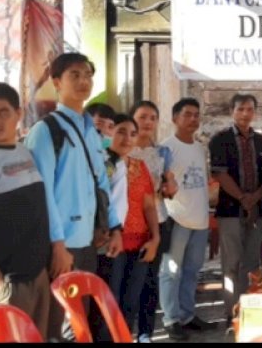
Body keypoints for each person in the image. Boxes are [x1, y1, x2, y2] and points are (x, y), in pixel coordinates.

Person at [24, 53, 123, 341]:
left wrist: (114, 227)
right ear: (57, 82)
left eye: (88, 75)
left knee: (81, 319)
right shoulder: (46, 131)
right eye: (74, 75)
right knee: (60, 322)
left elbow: (101, 182)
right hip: (60, 245)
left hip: (88, 241)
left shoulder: (90, 129)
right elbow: (41, 193)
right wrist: (57, 245)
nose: (84, 81)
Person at [0, 82, 51, 339]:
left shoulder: (23, 150)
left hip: (37, 274)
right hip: (7, 282)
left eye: (1, 112)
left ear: (18, 113)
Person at [208, 93, 262, 326]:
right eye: (240, 109)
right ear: (231, 111)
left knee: (252, 263)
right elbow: (220, 174)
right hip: (230, 210)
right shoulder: (220, 140)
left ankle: (251, 309)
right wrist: (243, 198)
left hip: (257, 210)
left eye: (249, 109)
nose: (245, 114)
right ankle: (232, 312)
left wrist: (256, 197)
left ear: (255, 112)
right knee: (231, 263)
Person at [159, 98, 215, 341]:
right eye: (187, 114)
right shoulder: (166, 148)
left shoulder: (200, 148)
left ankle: (187, 315)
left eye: (196, 115)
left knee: (192, 271)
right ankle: (171, 319)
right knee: (171, 272)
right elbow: (161, 185)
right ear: (175, 118)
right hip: (176, 218)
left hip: (200, 219)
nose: (193, 119)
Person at [105, 114, 160, 338]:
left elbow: (149, 205)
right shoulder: (101, 165)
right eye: (121, 132)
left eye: (132, 134)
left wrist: (155, 238)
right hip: (111, 243)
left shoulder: (139, 166)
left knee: (130, 302)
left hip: (140, 243)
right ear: (110, 132)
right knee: (110, 302)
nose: (127, 138)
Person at [129, 100, 177, 343]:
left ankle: (145, 332)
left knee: (150, 280)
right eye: (142, 117)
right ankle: (123, 330)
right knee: (129, 281)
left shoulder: (163, 153)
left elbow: (170, 185)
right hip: (128, 225)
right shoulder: (124, 151)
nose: (147, 122)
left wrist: (170, 188)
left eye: (152, 118)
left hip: (157, 220)